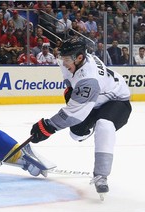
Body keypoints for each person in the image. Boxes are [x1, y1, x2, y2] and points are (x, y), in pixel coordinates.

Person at [30, 36, 131, 198]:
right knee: (76, 134)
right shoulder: (71, 61)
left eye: (67, 59)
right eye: (62, 58)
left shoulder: (89, 80)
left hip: (116, 101)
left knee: (104, 125)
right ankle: (91, 129)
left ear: (79, 57)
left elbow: (72, 114)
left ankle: (101, 175)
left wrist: (47, 127)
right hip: (95, 101)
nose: (64, 63)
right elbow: (69, 81)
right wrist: (69, 91)